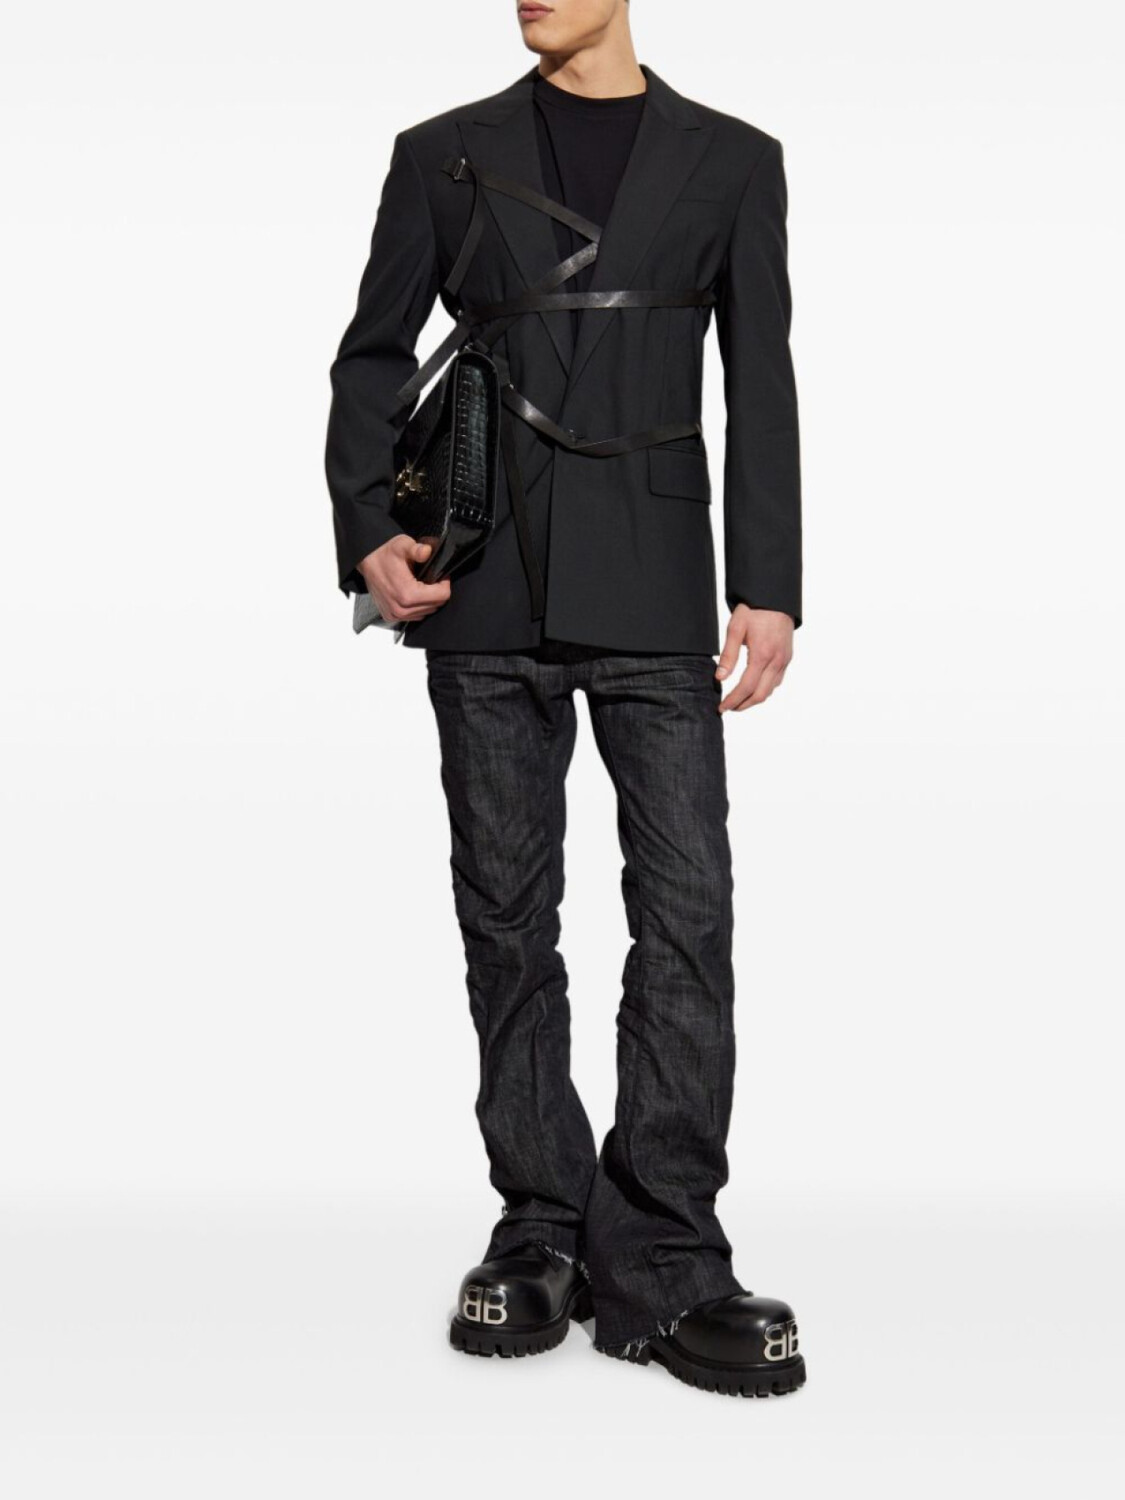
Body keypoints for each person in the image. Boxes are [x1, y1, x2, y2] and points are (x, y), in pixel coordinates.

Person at [324, 0, 805, 1398]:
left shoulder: (733, 159)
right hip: (482, 578)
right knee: (504, 915)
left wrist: (768, 581)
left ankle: (665, 1249)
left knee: (688, 911)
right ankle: (539, 1223)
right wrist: (368, 526)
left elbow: (759, 372)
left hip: (656, 575)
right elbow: (371, 353)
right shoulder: (440, 151)